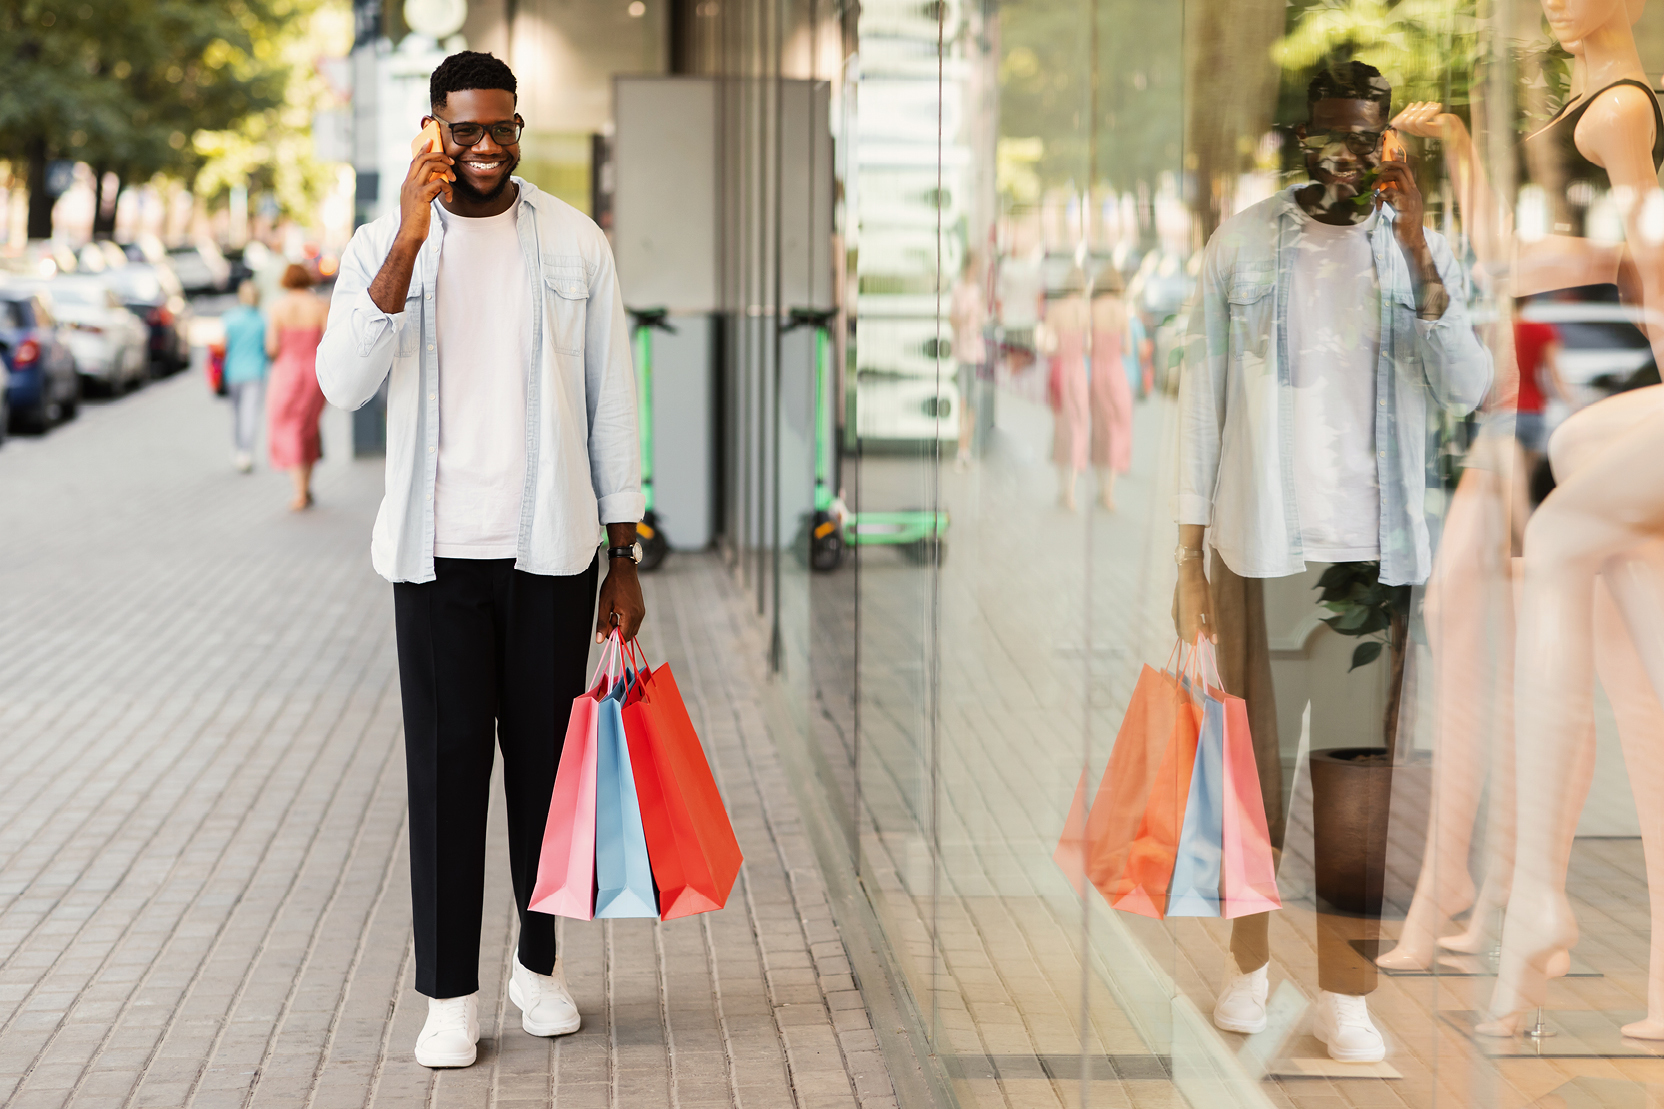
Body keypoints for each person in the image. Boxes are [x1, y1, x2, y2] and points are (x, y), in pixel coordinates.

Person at [315, 51, 645, 1071]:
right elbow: (341, 382)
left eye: (502, 126)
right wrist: (409, 241)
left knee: (546, 781)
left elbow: (612, 400)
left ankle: (537, 968)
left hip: (549, 556)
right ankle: (448, 993)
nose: (487, 145)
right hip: (436, 563)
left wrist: (622, 553)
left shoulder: (573, 240)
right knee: (448, 776)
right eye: (466, 130)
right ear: (431, 130)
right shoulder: (387, 239)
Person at [1175, 61, 1490, 1063]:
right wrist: (1185, 555)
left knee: (1354, 785)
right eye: (1328, 133)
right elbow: (1197, 403)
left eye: (1365, 135)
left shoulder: (1409, 253)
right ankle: (1248, 967)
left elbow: (1469, 383)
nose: (1344, 153)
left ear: (1385, 142)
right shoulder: (1245, 241)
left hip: (1369, 562)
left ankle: (1342, 995)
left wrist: (1419, 249)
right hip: (1257, 549)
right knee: (1253, 778)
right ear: (1301, 137)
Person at [266, 264, 330, 510]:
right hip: (314, 371)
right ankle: (306, 485)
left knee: (289, 425)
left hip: (286, 372)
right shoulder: (320, 306)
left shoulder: (277, 308)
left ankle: (299, 491)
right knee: (308, 426)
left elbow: (272, 347)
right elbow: (328, 340)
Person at [221, 281, 268, 473]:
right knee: (249, 414)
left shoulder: (230, 318)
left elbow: (223, 347)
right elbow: (269, 347)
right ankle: (246, 452)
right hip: (255, 372)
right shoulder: (263, 320)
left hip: (233, 372)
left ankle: (239, 448)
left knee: (237, 414)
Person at [950, 252, 986, 469]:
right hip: (962, 351)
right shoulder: (957, 288)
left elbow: (982, 319)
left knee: (972, 400)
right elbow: (952, 318)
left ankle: (967, 447)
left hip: (975, 351)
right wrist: (964, 319)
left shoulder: (978, 291)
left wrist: (978, 318)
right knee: (962, 400)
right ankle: (961, 448)